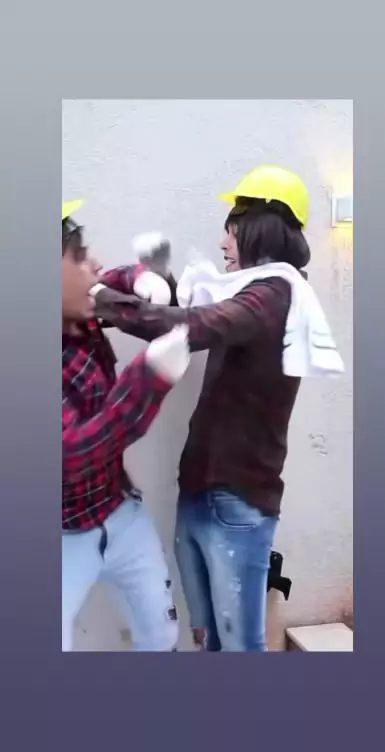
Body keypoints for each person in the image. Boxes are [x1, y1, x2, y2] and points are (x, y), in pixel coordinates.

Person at [93, 166, 312, 651]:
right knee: (210, 641)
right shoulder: (249, 291)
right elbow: (191, 309)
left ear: (260, 229)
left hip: (236, 501)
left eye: (231, 230)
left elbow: (191, 327)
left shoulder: (274, 296)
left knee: (237, 649)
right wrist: (153, 281)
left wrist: (96, 300)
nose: (222, 242)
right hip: (204, 491)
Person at [61, 199, 190, 652]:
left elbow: (108, 283)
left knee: (161, 634)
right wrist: (147, 379)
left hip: (119, 513)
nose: (93, 263)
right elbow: (69, 454)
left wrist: (144, 275)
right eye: (78, 256)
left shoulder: (76, 311)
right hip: (61, 536)